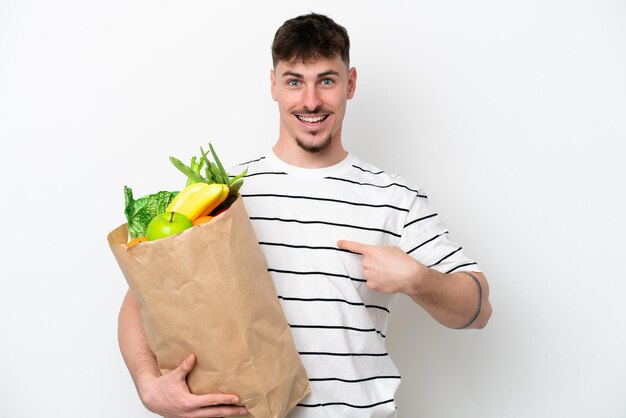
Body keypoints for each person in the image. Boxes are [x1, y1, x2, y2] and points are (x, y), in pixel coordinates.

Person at [118, 12, 492, 418]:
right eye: (294, 81)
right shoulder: (221, 196)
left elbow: (478, 309)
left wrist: (417, 278)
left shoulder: (394, 198)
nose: (310, 101)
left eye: (326, 81)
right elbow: (143, 299)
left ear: (350, 84)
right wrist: (148, 384)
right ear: (273, 85)